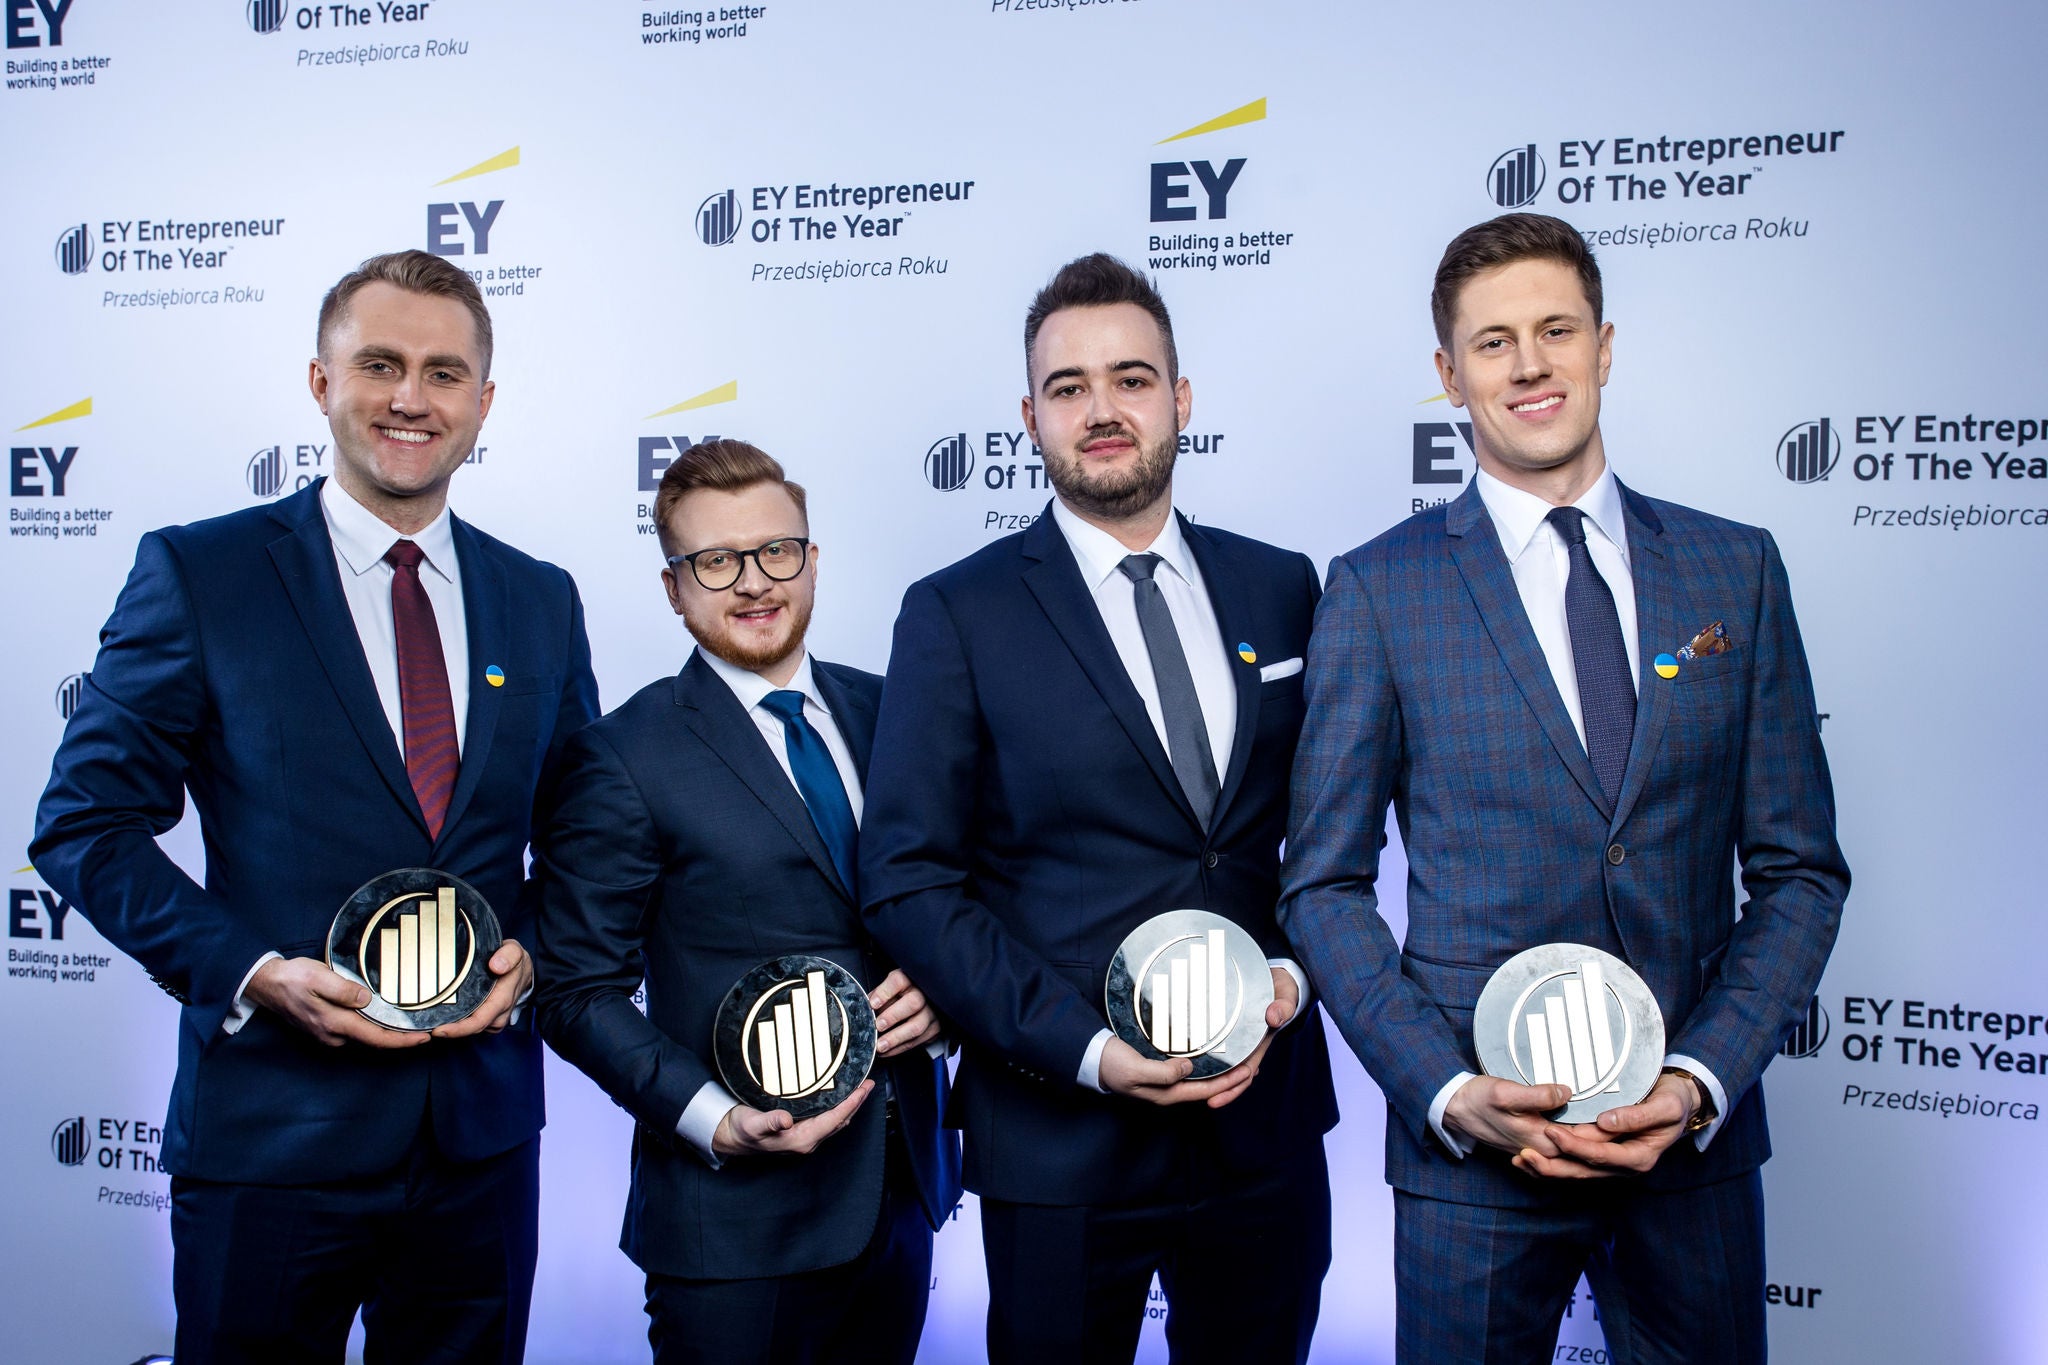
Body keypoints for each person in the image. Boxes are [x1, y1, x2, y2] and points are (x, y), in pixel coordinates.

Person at [1279, 212, 1850, 1363]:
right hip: (1474, 1162)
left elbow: (1798, 872)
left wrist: (1697, 1079)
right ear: (1449, 375)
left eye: (1554, 329)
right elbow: (1321, 889)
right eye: (1491, 343)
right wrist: (1444, 1090)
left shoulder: (1732, 568)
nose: (1528, 364)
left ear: (1602, 345)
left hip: (1688, 1153)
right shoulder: (1378, 592)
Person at [30, 249, 599, 1364]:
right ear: (320, 381)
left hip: (479, 1142)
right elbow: (84, 824)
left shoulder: (540, 597)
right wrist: (251, 972)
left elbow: (584, 836)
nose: (409, 398)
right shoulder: (202, 575)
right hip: (270, 1138)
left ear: (483, 402)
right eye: (379, 364)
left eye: (443, 373)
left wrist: (532, 948)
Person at [860, 253, 1338, 1365]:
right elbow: (907, 879)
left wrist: (1292, 972)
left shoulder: (1281, 586)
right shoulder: (955, 611)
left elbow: (1328, 834)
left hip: (1261, 1126)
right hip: (1059, 1133)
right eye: (1068, 387)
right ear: (1030, 417)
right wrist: (1086, 1049)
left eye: (1131, 378)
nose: (1102, 409)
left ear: (1181, 398)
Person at [533, 439, 960, 1365]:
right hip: (732, 1224)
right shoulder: (624, 754)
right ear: (673, 587)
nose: (755, 581)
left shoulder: (895, 712)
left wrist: (948, 995)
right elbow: (573, 987)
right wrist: (710, 1116)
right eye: (716, 561)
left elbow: (953, 903)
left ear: (812, 559)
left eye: (775, 550)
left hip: (901, 1194)